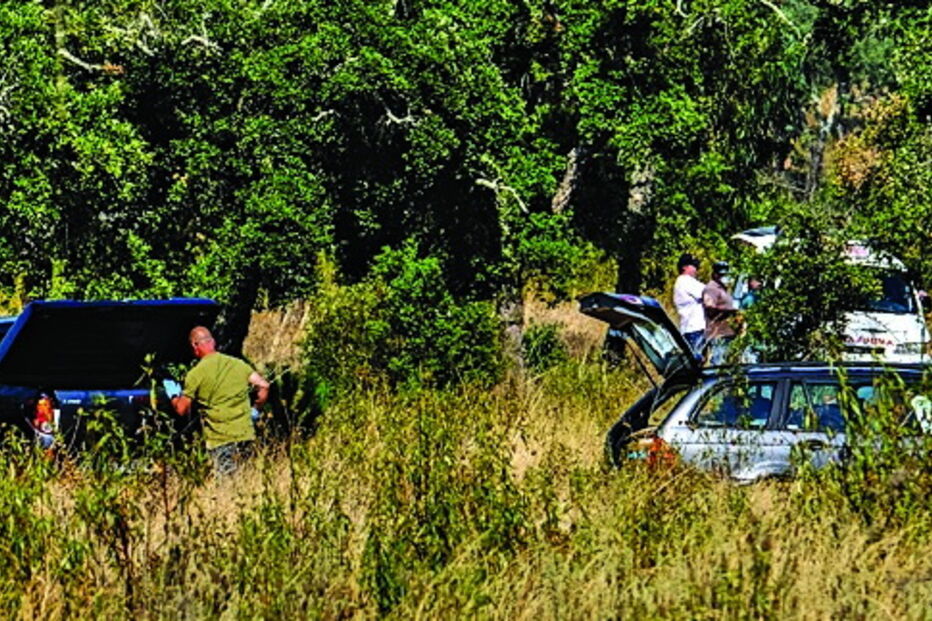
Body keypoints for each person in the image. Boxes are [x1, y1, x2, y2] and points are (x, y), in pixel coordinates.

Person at [165, 326, 269, 476]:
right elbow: (263, 385)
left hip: (221, 439)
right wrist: (255, 411)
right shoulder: (237, 364)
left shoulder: (196, 374)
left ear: (195, 345)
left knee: (227, 485)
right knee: (247, 479)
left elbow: (182, 409)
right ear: (213, 342)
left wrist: (174, 395)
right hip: (246, 434)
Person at [703, 261, 737, 364]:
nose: (725, 277)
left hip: (727, 333)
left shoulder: (723, 289)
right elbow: (709, 309)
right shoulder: (711, 288)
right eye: (722, 275)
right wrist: (729, 312)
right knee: (718, 364)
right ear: (715, 274)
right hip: (718, 333)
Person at [673, 253, 706, 356]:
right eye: (693, 266)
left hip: (692, 329)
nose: (696, 269)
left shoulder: (683, 282)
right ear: (684, 267)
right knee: (696, 363)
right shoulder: (685, 281)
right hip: (693, 329)